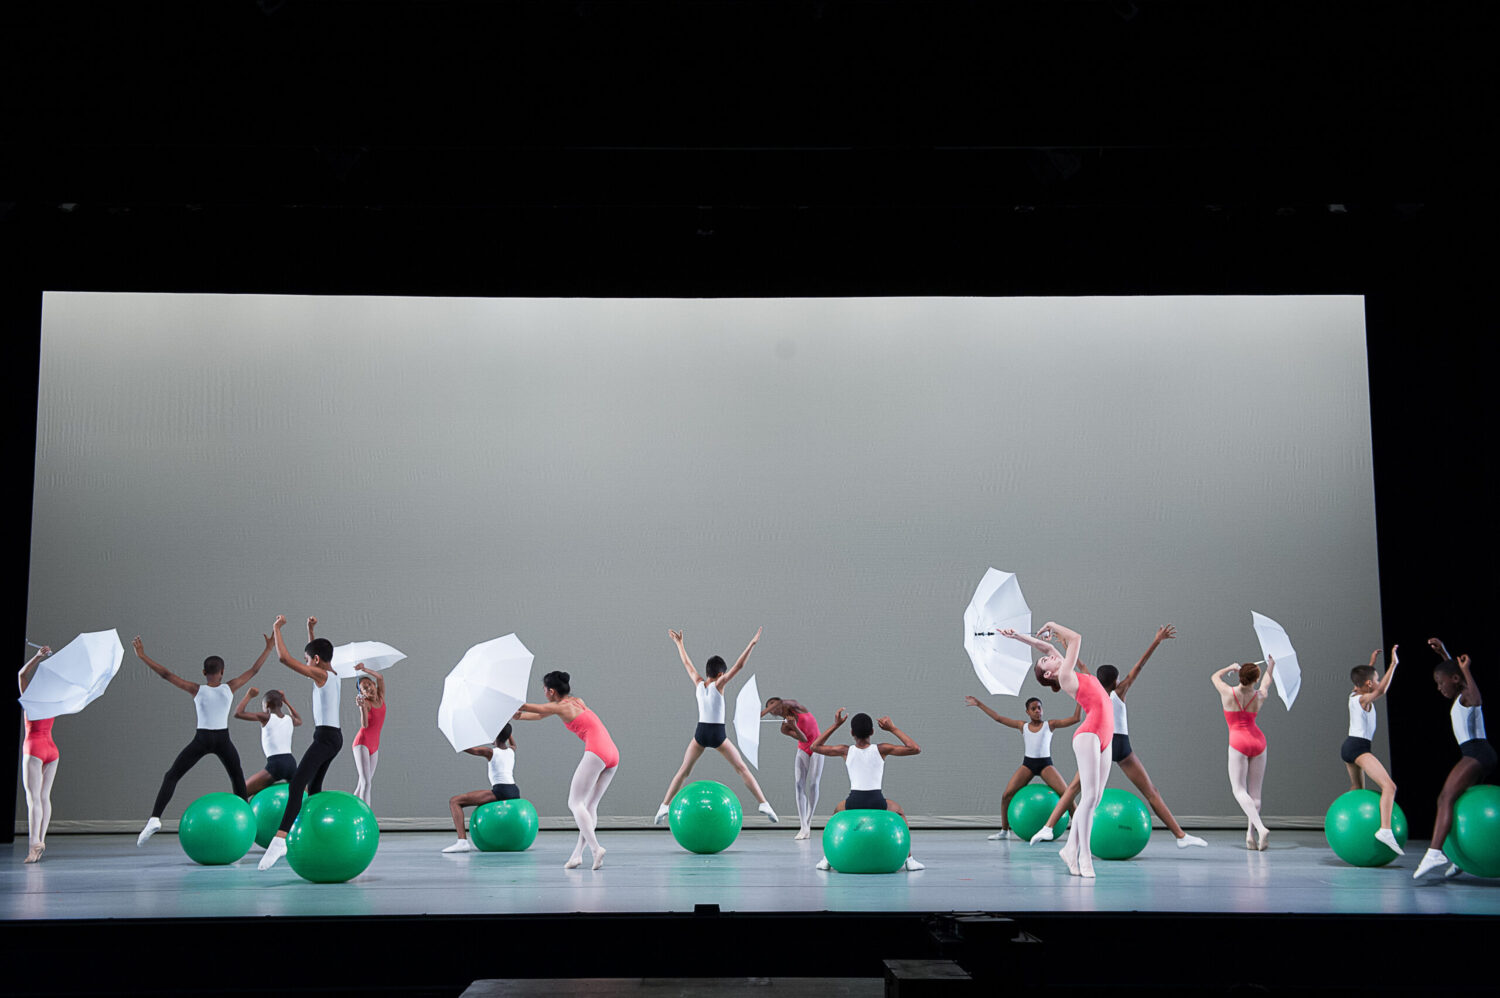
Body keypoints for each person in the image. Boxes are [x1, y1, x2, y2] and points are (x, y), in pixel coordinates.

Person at [1029, 625, 1209, 850]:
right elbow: (1139, 666)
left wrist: (1066, 647)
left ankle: (1048, 826)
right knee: (1150, 791)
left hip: (1100, 739)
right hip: (1118, 744)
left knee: (1076, 788)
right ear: (1115, 681)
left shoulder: (1090, 682)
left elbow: (1079, 664)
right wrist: (1156, 641)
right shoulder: (1120, 690)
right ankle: (1180, 836)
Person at [135, 633, 271, 846]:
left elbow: (166, 674)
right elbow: (254, 669)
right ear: (222, 672)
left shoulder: (196, 689)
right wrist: (269, 647)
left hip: (203, 738)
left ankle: (154, 818)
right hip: (223, 739)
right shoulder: (230, 686)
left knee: (172, 775)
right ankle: (248, 824)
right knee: (237, 779)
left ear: (204, 673)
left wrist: (143, 656)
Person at [1007, 621, 1110, 877]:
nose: (1050, 656)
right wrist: (1052, 624)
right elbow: (1076, 637)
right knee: (1087, 798)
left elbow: (1046, 646)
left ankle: (1070, 849)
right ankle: (1084, 858)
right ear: (1050, 674)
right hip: (1089, 735)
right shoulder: (1065, 676)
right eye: (1046, 662)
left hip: (1106, 735)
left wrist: (1018, 636)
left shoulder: (1063, 669)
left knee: (1094, 799)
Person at [652, 628, 778, 825]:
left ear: (707, 672)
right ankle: (763, 802)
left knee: (684, 771)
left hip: (701, 733)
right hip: (718, 734)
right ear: (720, 674)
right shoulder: (719, 685)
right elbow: (740, 666)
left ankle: (664, 806)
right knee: (742, 768)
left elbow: (687, 663)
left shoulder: (698, 683)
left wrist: (679, 644)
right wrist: (752, 644)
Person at [259, 615, 343, 871]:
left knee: (297, 785)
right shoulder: (332, 673)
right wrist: (310, 630)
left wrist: (276, 628)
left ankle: (280, 839)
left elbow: (285, 659)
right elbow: (314, 658)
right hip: (332, 737)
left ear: (316, 661)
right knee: (314, 787)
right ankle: (316, 836)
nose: (306, 665)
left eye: (308, 660)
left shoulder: (321, 675)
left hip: (326, 737)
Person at [515, 670, 619, 870]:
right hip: (612, 752)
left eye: (545, 689)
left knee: (574, 802)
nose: (544, 692)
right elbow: (541, 714)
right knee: (589, 806)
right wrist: (520, 717)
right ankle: (577, 855)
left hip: (597, 751)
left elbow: (537, 707)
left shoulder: (560, 706)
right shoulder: (576, 701)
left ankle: (596, 849)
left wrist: (512, 704)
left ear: (551, 691)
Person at [1413, 639, 1493, 879]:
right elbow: (1454, 674)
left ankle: (1435, 851)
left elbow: (1476, 698)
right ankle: (1461, 859)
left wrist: (1466, 669)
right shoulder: (1460, 694)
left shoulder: (1468, 695)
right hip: (1476, 753)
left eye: (1440, 683)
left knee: (1445, 798)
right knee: (1456, 801)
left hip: (1476, 753)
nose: (1439, 688)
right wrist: (1444, 654)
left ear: (1456, 680)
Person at [807, 709, 925, 871]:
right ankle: (909, 860)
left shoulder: (845, 751)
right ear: (872, 731)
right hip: (876, 801)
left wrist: (835, 725)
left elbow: (814, 746)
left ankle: (826, 859)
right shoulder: (882, 749)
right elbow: (915, 748)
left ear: (851, 732)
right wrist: (893, 728)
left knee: (836, 813)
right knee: (899, 812)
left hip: (854, 801)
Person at [964, 693, 1079, 840]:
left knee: (1067, 795)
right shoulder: (1022, 726)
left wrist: (1080, 699)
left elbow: (1075, 719)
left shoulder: (1049, 725)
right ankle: (1004, 831)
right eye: (1033, 709)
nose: (1037, 711)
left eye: (1039, 708)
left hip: (1045, 764)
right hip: (1028, 765)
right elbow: (998, 718)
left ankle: (1080, 830)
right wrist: (979, 704)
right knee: (1006, 796)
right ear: (1027, 712)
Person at [1342, 645, 1403, 856]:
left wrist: (1371, 663)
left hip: (1349, 746)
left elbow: (1366, 681)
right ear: (1368, 684)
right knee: (1389, 786)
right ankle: (1385, 829)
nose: (1377, 682)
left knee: (1357, 789)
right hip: (1358, 748)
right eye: (1375, 678)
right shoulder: (1363, 698)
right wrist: (1393, 664)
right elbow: (1380, 690)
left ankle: (1350, 826)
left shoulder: (1354, 693)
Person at [1211, 655, 1276, 851]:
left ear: (1240, 676)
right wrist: (1271, 665)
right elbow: (1267, 681)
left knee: (1239, 790)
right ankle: (1250, 835)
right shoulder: (1260, 696)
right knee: (1255, 793)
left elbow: (1214, 677)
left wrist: (1229, 667)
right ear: (1254, 680)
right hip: (1258, 741)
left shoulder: (1228, 693)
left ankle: (1260, 828)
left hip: (1238, 741)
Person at [441, 724, 519, 854]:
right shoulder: (512, 750)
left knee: (455, 801)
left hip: (501, 790)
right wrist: (506, 729)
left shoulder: (491, 752)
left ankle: (462, 842)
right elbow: (512, 742)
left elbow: (472, 750)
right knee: (458, 800)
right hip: (514, 790)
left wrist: (455, 739)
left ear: (495, 736)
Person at [761, 696, 824, 839]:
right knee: (798, 785)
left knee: (814, 784)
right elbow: (803, 739)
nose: (773, 707)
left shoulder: (797, 707)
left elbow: (781, 702)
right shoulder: (784, 727)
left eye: (773, 704)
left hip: (818, 748)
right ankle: (803, 826)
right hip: (803, 749)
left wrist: (762, 713)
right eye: (770, 707)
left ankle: (808, 821)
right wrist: (794, 726)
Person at [18, 645, 56, 863]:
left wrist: (38, 656)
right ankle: (41, 839)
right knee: (44, 797)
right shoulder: (53, 701)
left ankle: (34, 845)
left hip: (34, 748)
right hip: (52, 749)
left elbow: (21, 674)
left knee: (33, 799)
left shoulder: (31, 699)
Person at [234, 687, 303, 795]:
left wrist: (249, 695)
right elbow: (299, 720)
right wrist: (286, 701)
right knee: (303, 794)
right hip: (291, 763)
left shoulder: (266, 717)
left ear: (266, 706)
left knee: (241, 792)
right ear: (281, 704)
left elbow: (238, 713)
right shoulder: (289, 719)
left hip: (276, 764)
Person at [351, 665, 386, 808]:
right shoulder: (366, 703)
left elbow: (380, 677)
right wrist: (361, 708)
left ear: (374, 685)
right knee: (366, 783)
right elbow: (365, 725)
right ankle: (367, 816)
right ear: (362, 693)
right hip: (362, 744)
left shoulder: (381, 696)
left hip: (374, 745)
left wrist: (364, 670)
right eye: (364, 688)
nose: (369, 688)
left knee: (363, 783)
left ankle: (350, 808)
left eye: (369, 684)